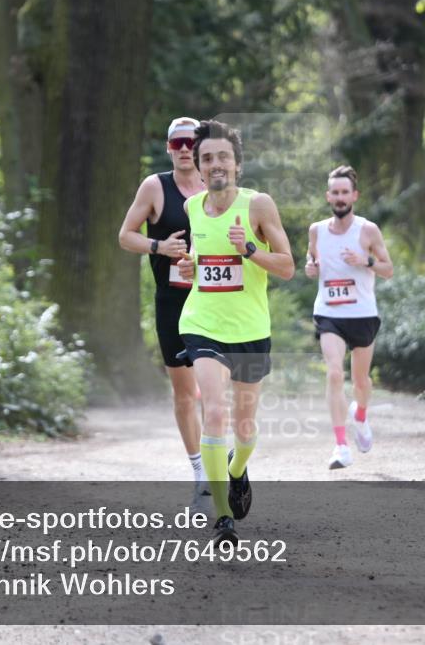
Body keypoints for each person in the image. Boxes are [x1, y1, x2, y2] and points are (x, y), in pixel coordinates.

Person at [177, 119, 295, 545]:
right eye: (207, 158)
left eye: (223, 156)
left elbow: (287, 266)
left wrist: (248, 248)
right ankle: (223, 516)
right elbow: (201, 262)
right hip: (202, 323)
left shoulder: (258, 206)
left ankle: (237, 467)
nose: (215, 164)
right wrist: (191, 265)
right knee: (213, 411)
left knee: (244, 429)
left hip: (250, 329)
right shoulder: (193, 208)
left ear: (237, 164)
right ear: (199, 165)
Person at [118, 117, 208, 502]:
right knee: (186, 392)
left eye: (190, 142)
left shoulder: (216, 186)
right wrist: (159, 247)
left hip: (215, 300)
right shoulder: (155, 186)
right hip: (172, 301)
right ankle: (200, 471)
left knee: (219, 387)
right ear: (168, 148)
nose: (184, 149)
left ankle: (223, 459)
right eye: (177, 144)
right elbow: (125, 236)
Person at [304, 165, 393, 470]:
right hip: (329, 312)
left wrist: (365, 260)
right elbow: (311, 258)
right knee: (333, 374)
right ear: (328, 196)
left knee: (360, 381)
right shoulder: (316, 230)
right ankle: (341, 445)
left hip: (362, 313)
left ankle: (361, 415)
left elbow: (388, 269)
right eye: (335, 193)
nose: (340, 198)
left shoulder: (367, 230)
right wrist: (310, 267)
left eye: (345, 192)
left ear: (354, 195)